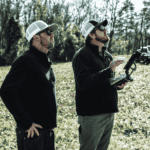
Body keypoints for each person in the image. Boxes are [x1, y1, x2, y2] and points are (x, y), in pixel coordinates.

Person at [0, 19, 128, 150]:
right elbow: (6, 91)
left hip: (47, 130)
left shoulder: (44, 61)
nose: (52, 35)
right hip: (33, 132)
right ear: (36, 37)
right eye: (48, 32)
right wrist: (26, 123)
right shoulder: (25, 60)